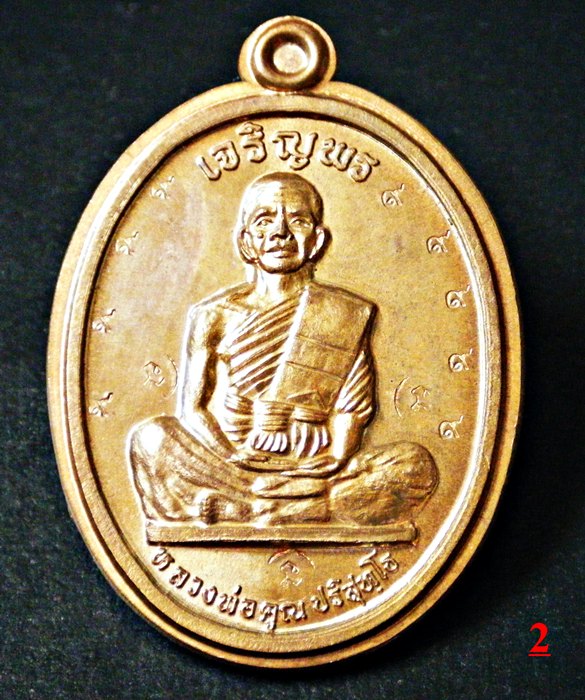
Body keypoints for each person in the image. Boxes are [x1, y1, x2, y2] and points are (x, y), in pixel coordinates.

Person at [129, 172, 437, 527]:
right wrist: (233, 456)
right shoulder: (214, 315)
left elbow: (352, 406)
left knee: (413, 464)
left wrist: (338, 455)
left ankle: (250, 509)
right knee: (151, 439)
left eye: (298, 220)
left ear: (317, 241)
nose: (280, 232)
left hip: (316, 467)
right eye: (264, 220)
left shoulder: (344, 313)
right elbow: (193, 410)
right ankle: (301, 507)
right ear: (246, 241)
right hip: (234, 465)